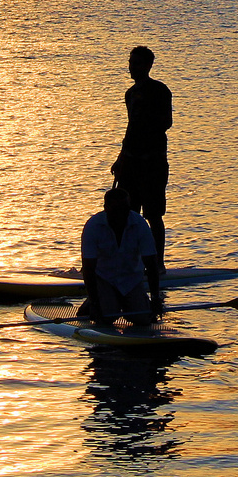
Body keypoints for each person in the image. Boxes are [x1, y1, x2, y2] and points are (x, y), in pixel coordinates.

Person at [111, 45, 173, 254]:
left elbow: (166, 123)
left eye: (136, 64)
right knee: (128, 213)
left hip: (153, 162)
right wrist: (121, 159)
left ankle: (158, 263)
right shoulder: (130, 94)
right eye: (130, 63)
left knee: (153, 215)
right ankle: (130, 259)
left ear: (147, 66)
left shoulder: (160, 90)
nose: (131, 68)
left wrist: (145, 118)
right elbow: (130, 128)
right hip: (131, 161)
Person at [81, 186, 163, 327]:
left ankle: (133, 303)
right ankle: (91, 303)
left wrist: (155, 297)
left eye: (124, 209)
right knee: (107, 317)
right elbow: (88, 268)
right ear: (106, 208)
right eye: (115, 210)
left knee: (143, 319)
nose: (120, 215)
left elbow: (151, 264)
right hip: (104, 278)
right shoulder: (93, 226)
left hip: (131, 279)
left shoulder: (140, 224)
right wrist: (95, 302)